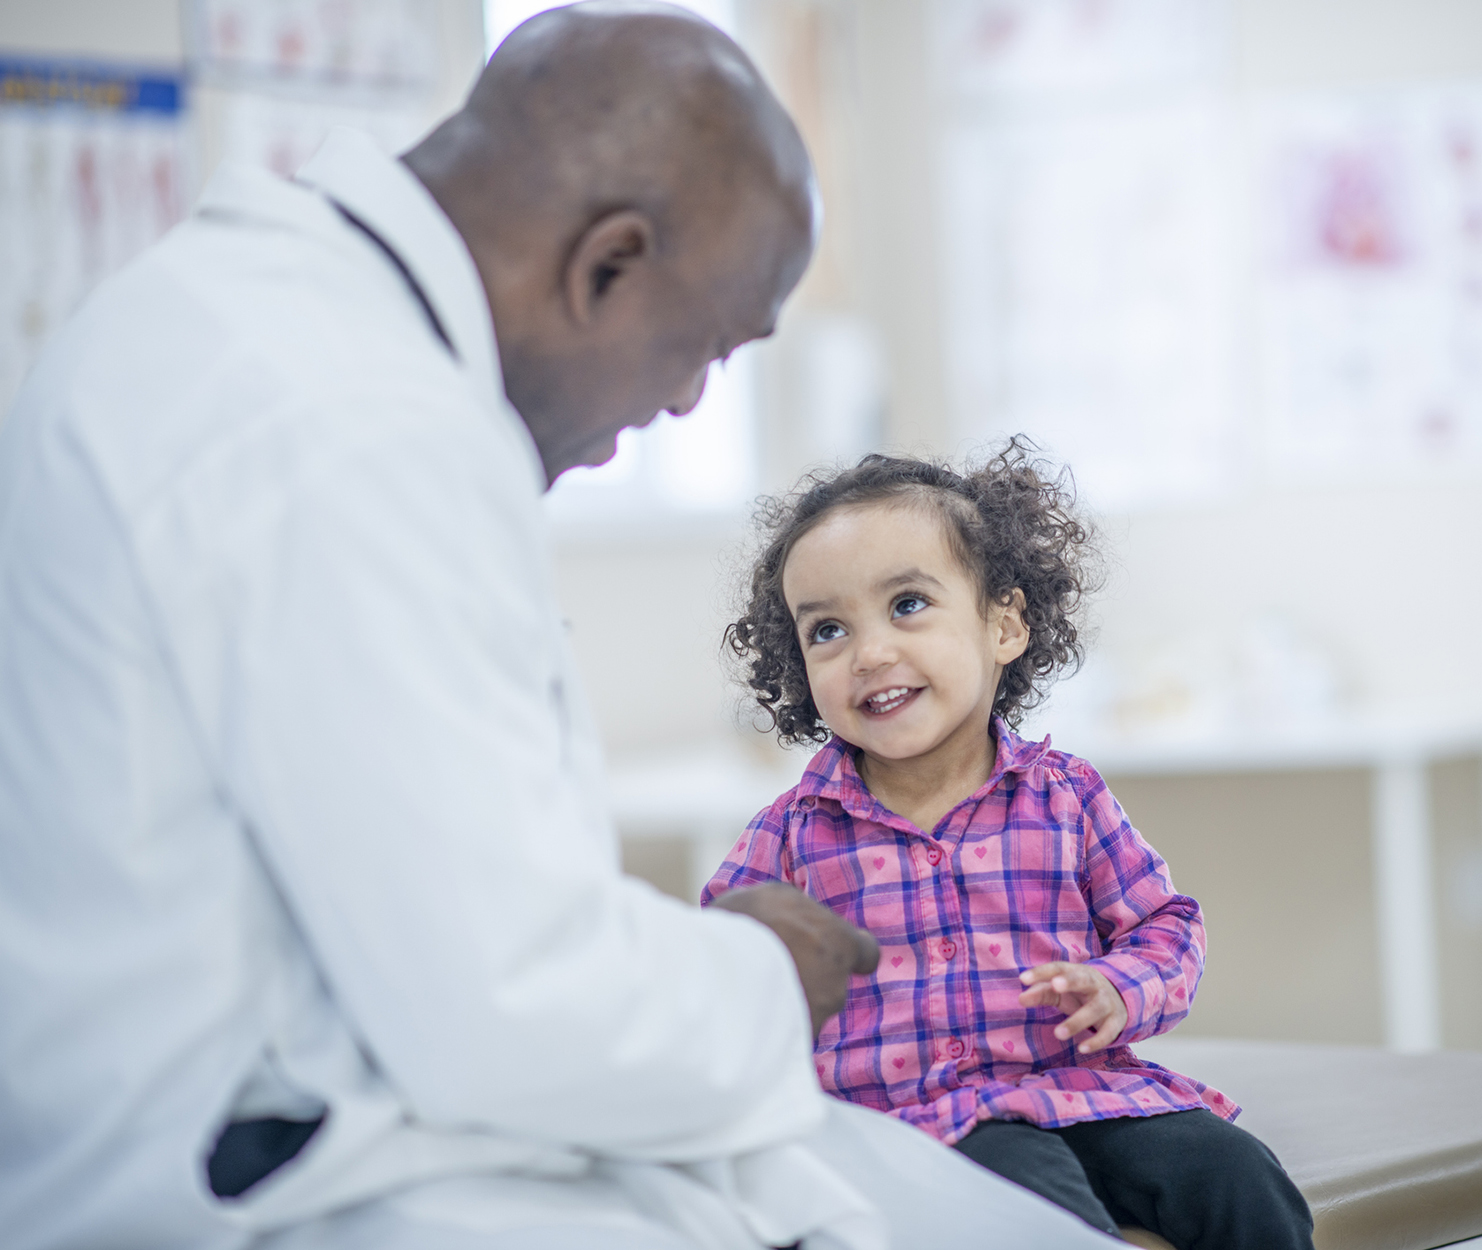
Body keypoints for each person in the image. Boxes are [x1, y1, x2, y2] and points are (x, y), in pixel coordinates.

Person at [0, 5, 1125, 1249]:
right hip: (289, 1189)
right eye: (705, 344)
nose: (689, 397)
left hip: (316, 1109)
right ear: (607, 266)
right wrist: (765, 973)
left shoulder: (243, 317)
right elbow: (505, 1004)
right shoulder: (356, 429)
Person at [701, 443, 1316, 1250]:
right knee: (1035, 1203)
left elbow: (1165, 927)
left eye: (909, 605)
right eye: (827, 630)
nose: (870, 652)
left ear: (1004, 625)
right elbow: (717, 962)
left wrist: (1118, 987)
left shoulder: (1065, 796)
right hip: (921, 1128)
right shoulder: (791, 835)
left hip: (1088, 1093)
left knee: (1234, 1172)